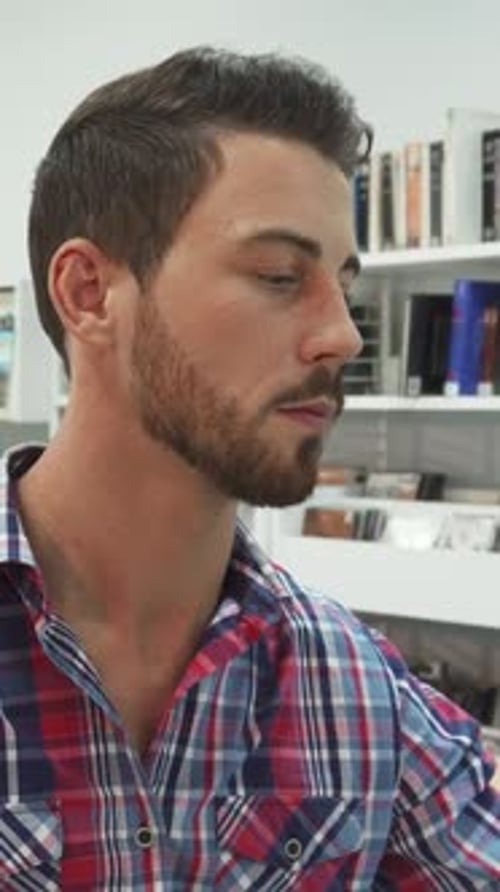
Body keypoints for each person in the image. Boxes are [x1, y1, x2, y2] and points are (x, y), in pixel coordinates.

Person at [1, 45, 497, 889]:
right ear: (89, 293)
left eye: (343, 284)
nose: (342, 335)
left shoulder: (351, 687)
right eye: (278, 275)